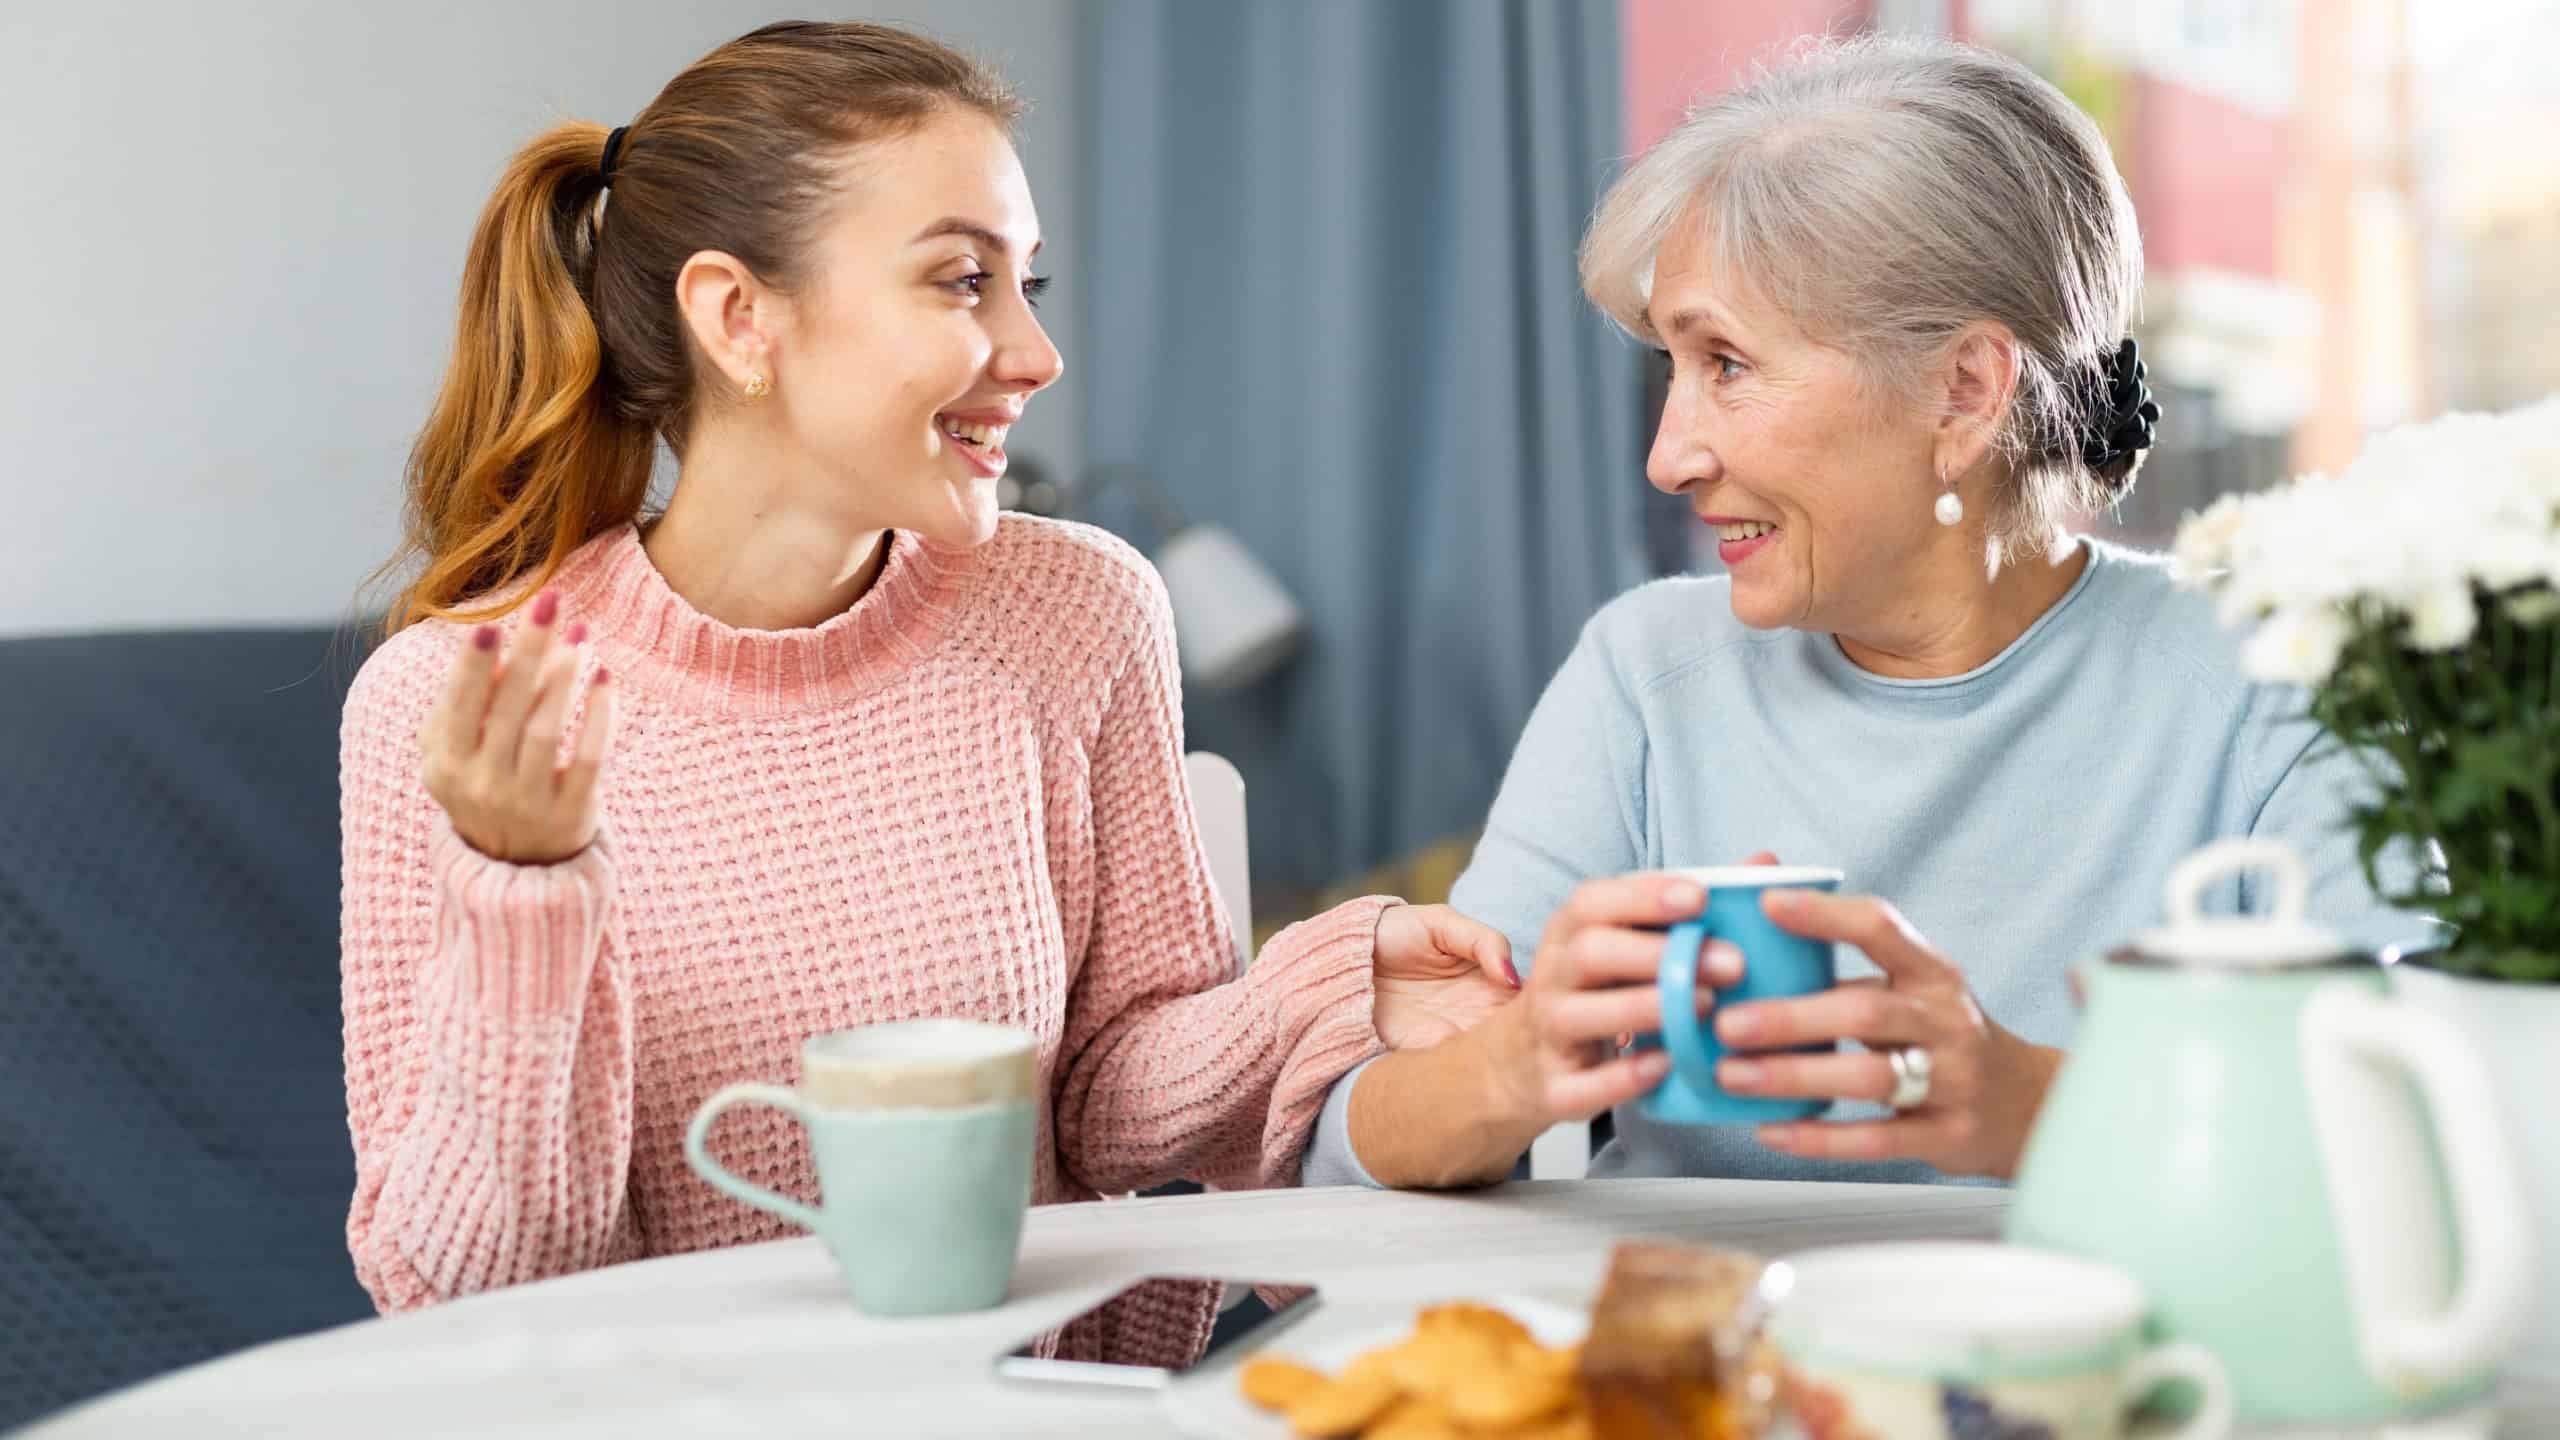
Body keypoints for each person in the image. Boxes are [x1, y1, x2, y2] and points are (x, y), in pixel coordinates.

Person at [339, 21, 1509, 1315]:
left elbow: (1108, 1100)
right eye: (963, 282)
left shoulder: (1079, 609)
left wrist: (1325, 988)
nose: (1035, 353)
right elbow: (467, 1292)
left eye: (1029, 284)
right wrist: (524, 893)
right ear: (740, 318)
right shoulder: (454, 709)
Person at [1298, 34, 2419, 1193]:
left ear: (1964, 391)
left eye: (1725, 364)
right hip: (1691, 1355)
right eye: (1670, 370)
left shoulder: (2267, 682)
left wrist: (2039, 1112)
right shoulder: (1645, 674)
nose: (1668, 456)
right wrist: (1507, 1070)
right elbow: (1339, 1172)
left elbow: (2429, 1139)